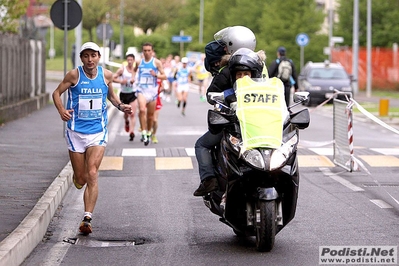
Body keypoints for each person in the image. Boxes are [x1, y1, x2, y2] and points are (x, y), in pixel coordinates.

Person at [52, 42, 132, 234]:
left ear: (98, 57)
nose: (90, 60)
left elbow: (111, 97)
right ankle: (78, 177)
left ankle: (87, 218)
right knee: (81, 178)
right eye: (86, 56)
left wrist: (121, 106)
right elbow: (56, 93)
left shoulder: (106, 75)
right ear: (81, 58)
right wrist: (62, 110)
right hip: (76, 132)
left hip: (98, 131)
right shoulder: (74, 75)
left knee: (93, 173)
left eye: (93, 55)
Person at [193, 26, 259, 197]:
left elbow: (211, 94)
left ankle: (209, 180)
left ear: (231, 45)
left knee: (202, 145)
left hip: (234, 121)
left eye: (224, 45)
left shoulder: (228, 69)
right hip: (260, 121)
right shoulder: (260, 65)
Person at [134, 42, 166, 146]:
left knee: (150, 116)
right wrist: (132, 78)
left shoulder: (156, 63)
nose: (147, 52)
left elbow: (164, 76)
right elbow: (134, 71)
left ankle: (148, 132)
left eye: (149, 50)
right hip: (141, 90)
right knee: (142, 109)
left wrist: (155, 75)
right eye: (145, 50)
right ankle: (143, 132)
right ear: (142, 51)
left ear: (152, 51)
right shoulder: (139, 62)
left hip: (152, 92)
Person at [113, 52, 138, 141]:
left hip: (132, 94)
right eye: (128, 60)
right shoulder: (122, 70)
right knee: (126, 114)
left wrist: (134, 81)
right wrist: (121, 82)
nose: (130, 62)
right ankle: (126, 122)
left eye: (131, 60)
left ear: (134, 61)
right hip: (124, 94)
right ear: (126, 61)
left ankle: (132, 132)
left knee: (132, 114)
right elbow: (112, 78)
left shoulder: (136, 70)